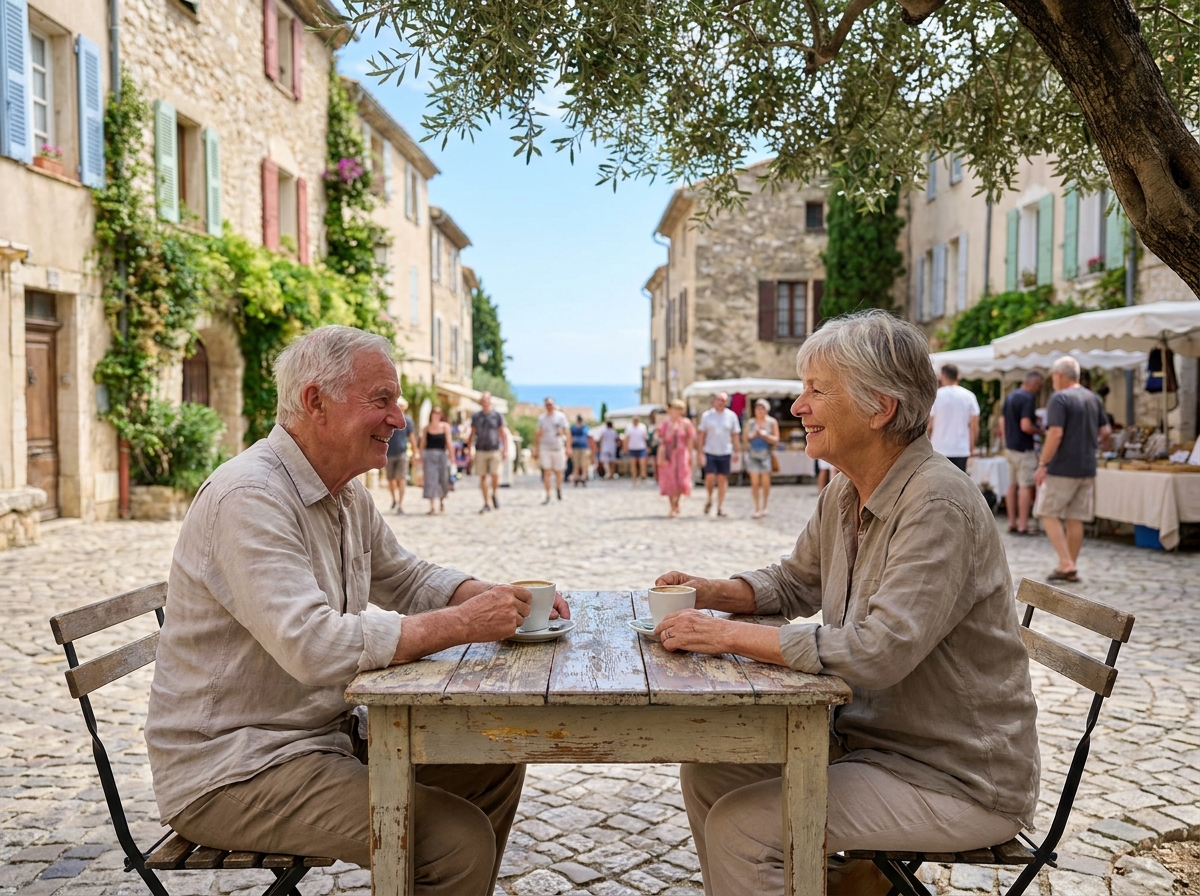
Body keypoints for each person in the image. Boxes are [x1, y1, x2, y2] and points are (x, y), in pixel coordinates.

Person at [144, 325, 571, 895]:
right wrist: (464, 624)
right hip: (234, 767)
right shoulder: (250, 497)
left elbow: (407, 576)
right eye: (382, 400)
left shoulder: (344, 491)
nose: (399, 418)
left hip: (326, 737)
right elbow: (314, 646)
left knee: (494, 753)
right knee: (453, 840)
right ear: (315, 402)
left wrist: (495, 596)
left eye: (396, 401)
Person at [653, 311, 1038, 896]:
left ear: (880, 408)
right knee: (711, 767)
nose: (797, 407)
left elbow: (879, 653)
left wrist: (724, 634)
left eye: (816, 391)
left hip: (954, 776)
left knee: (742, 826)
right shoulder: (845, 489)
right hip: (868, 742)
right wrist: (710, 591)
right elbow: (794, 582)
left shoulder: (937, 502)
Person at [1035, 356, 1111, 582]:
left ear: (1059, 375)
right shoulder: (1093, 398)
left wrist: (1043, 463)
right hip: (1087, 465)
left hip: (1063, 467)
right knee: (1075, 518)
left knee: (1047, 512)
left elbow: (1055, 433)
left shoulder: (1060, 398)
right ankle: (1069, 564)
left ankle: (1066, 563)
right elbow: (1106, 432)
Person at [999, 371, 1044, 535]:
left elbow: (1002, 420)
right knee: (1025, 486)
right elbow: (1025, 425)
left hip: (1010, 447)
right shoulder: (1028, 398)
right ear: (1033, 383)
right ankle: (1023, 524)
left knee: (1012, 485)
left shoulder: (1011, 396)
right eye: (1038, 385)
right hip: (1024, 448)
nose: (1038, 389)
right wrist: (1040, 430)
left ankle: (1012, 522)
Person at [927, 363, 980, 471]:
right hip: (961, 449)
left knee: (939, 484)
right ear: (958, 377)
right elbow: (974, 426)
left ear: (942, 377)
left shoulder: (936, 396)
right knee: (959, 484)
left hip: (939, 448)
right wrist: (972, 448)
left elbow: (929, 425)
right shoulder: (969, 396)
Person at [697, 392, 741, 516]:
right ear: (714, 401)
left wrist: (737, 450)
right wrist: (700, 453)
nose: (721, 402)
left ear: (727, 402)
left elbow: (735, 435)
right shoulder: (707, 416)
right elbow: (701, 435)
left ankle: (720, 506)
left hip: (725, 451)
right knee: (709, 477)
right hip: (710, 450)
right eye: (719, 399)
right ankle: (710, 498)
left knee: (722, 479)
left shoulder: (731, 416)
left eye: (723, 400)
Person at [656, 399, 696, 518]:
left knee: (680, 478)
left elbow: (690, 439)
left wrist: (689, 454)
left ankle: (676, 503)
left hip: (681, 453)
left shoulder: (686, 423)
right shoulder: (665, 424)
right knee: (669, 478)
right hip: (669, 454)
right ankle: (672, 505)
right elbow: (659, 437)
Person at [470, 392, 509, 514]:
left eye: (487, 399)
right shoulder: (476, 416)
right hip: (481, 449)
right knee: (482, 477)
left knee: (495, 475)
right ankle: (486, 502)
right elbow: (472, 434)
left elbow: (503, 433)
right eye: (483, 400)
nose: (485, 402)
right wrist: (470, 448)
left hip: (494, 449)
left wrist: (505, 449)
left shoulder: (497, 416)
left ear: (490, 401)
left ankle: (495, 493)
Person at [743, 399, 779, 518]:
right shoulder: (751, 423)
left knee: (765, 482)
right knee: (754, 483)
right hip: (753, 454)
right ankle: (756, 507)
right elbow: (745, 438)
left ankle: (764, 506)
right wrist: (754, 435)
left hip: (766, 454)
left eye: (762, 409)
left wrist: (765, 435)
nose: (759, 411)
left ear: (766, 410)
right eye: (757, 409)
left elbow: (776, 439)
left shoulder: (771, 422)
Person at [384, 397, 418, 514]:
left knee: (401, 479)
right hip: (388, 453)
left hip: (402, 453)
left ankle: (400, 504)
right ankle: (394, 499)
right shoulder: (388, 419)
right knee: (391, 479)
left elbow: (412, 437)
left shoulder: (407, 421)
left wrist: (415, 452)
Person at [534, 397, 569, 504]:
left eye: (551, 404)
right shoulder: (542, 418)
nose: (549, 406)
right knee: (547, 471)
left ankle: (558, 487)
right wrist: (536, 448)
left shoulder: (560, 417)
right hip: (545, 447)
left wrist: (568, 447)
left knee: (559, 471)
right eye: (547, 404)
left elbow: (567, 432)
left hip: (558, 447)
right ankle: (548, 494)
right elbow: (538, 434)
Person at [421, 406, 452, 514]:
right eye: (434, 412)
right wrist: (420, 456)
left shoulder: (445, 427)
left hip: (442, 455)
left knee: (442, 478)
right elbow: (423, 442)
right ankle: (432, 506)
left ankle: (442, 501)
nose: (436, 415)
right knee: (430, 480)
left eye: (438, 413)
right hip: (429, 455)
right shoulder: (426, 428)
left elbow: (449, 442)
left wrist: (452, 457)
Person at [624, 415, 650, 485]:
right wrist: (625, 448)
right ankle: (634, 479)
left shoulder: (642, 427)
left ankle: (643, 476)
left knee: (642, 463)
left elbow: (645, 437)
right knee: (633, 464)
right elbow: (627, 438)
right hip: (632, 448)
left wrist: (647, 447)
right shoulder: (629, 427)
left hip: (641, 448)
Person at [569, 415, 593, 486]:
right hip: (575, 448)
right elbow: (570, 437)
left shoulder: (586, 428)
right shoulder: (573, 428)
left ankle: (583, 478)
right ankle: (575, 478)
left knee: (584, 464)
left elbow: (590, 438)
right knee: (576, 464)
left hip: (584, 447)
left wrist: (592, 448)